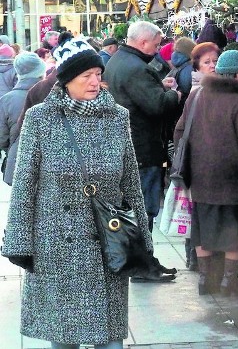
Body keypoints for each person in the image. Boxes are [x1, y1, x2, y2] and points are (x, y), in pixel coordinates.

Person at [0, 37, 155, 348]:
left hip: (108, 242)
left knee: (109, 337)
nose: (95, 82)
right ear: (68, 80)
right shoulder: (40, 118)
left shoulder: (117, 117)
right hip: (56, 246)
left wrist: (143, 241)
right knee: (64, 335)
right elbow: (25, 185)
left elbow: (130, 183)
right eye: (87, 76)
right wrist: (19, 242)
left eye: (98, 74)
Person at [174, 49, 238, 296]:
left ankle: (205, 280)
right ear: (237, 75)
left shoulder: (195, 96)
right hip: (233, 179)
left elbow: (179, 131)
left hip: (200, 177)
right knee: (234, 230)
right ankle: (229, 281)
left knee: (202, 228)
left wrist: (190, 162)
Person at [103, 21, 181, 236]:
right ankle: (143, 263)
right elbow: (158, 106)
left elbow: (137, 95)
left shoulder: (118, 60)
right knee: (143, 210)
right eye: (156, 45)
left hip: (128, 146)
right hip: (142, 150)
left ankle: (138, 261)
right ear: (143, 42)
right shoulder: (136, 67)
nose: (157, 50)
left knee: (131, 212)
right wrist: (175, 95)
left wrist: (158, 86)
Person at [180, 41, 223, 272]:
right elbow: (181, 130)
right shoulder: (197, 92)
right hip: (200, 163)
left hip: (209, 163)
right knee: (197, 212)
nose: (212, 66)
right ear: (196, 66)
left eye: (215, 61)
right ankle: (196, 258)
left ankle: (203, 260)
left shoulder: (221, 87)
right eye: (207, 62)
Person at [0, 52, 46, 185]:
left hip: (17, 160)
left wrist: (10, 149)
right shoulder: (51, 94)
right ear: (40, 71)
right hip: (50, 163)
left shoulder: (6, 100)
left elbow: (2, 138)